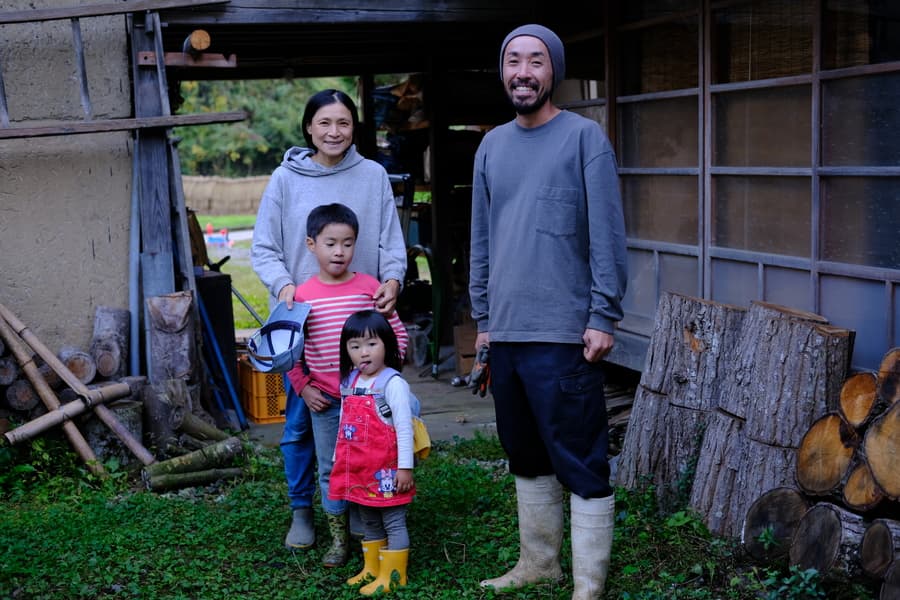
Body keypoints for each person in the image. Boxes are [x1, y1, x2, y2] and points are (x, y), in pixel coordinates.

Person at [468, 24, 628, 600]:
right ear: (503, 70)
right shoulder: (491, 145)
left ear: (552, 72)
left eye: (536, 61)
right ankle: (539, 563)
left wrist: (604, 315)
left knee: (580, 458)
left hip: (565, 333)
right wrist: (483, 319)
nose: (523, 72)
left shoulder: (584, 139)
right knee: (525, 454)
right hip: (506, 331)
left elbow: (608, 235)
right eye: (513, 60)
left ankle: (588, 585)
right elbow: (482, 238)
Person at [250, 89, 407, 554]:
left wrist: (393, 281)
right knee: (302, 426)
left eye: (342, 123)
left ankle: (367, 508)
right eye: (324, 123)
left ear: (353, 128)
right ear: (308, 128)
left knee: (371, 423)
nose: (334, 132)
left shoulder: (372, 175)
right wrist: (286, 290)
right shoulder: (285, 179)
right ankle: (303, 510)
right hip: (309, 323)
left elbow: (390, 242)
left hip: (361, 322)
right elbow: (263, 247)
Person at [284, 203, 408, 567]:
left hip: (369, 403)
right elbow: (289, 350)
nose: (339, 252)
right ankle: (339, 539)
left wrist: (387, 382)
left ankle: (368, 521)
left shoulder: (369, 288)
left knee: (369, 462)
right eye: (330, 243)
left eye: (348, 243)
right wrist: (303, 386)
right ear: (311, 244)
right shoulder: (302, 296)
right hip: (324, 401)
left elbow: (396, 336)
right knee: (330, 467)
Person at [330, 309, 417, 596]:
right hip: (358, 467)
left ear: (387, 345)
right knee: (368, 517)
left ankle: (393, 575)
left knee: (392, 520)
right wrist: (338, 461)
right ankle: (372, 569)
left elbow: (404, 429)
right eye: (355, 346)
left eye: (371, 344)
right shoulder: (351, 382)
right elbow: (344, 424)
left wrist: (405, 468)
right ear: (346, 350)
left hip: (387, 469)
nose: (363, 353)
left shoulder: (393, 384)